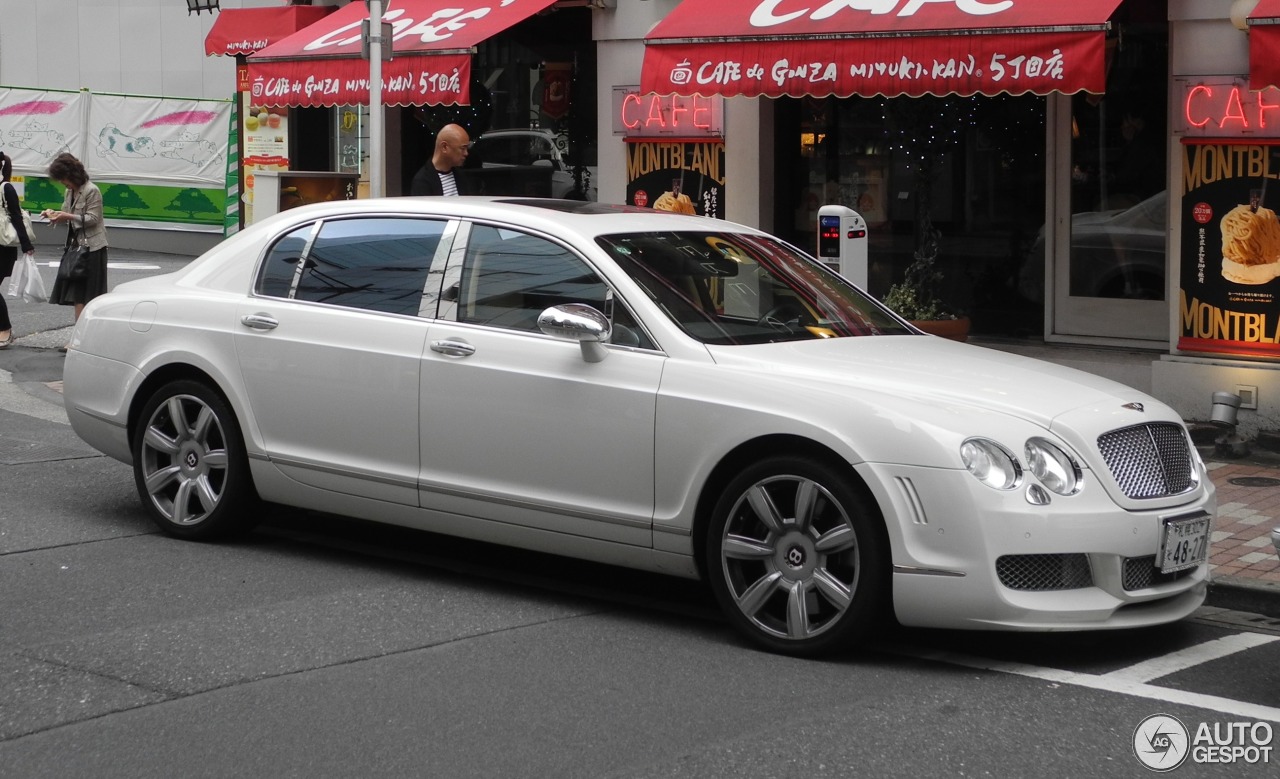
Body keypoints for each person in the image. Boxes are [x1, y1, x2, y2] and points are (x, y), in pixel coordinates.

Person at [43, 153, 107, 349]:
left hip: (93, 248)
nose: (63, 183)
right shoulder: (69, 191)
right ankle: (79, 340)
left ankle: (83, 340)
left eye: (63, 179)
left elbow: (93, 219)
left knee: (89, 295)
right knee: (78, 295)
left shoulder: (91, 190)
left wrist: (67, 216)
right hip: (77, 247)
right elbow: (66, 213)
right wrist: (53, 215)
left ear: (72, 174)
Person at [0, 151, 35, 349]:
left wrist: (26, 245)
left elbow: (16, 216)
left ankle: (6, 329)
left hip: (3, 247)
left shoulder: (6, 188)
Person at [409, 124, 472, 196]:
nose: (466, 153)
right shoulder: (422, 181)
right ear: (444, 147)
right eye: (462, 148)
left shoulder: (460, 176)